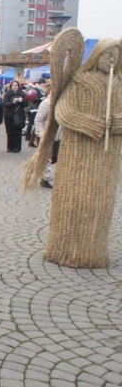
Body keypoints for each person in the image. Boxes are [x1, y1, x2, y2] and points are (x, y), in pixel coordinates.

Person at [43, 39, 122, 268]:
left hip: (106, 159)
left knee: (100, 203)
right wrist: (92, 124)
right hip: (78, 155)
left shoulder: (118, 84)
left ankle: (93, 251)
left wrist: (116, 123)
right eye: (108, 55)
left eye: (116, 56)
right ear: (97, 56)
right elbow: (63, 111)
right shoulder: (80, 81)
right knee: (75, 200)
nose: (112, 60)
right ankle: (64, 249)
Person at [34, 83, 59, 188]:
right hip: (46, 135)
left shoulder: (61, 104)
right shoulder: (46, 103)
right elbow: (38, 120)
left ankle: (43, 174)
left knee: (54, 158)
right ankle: (45, 178)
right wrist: (41, 134)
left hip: (58, 136)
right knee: (47, 158)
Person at [2, 80, 26, 152]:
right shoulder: (7, 94)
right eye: (13, 85)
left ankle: (17, 147)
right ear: (11, 86)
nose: (15, 87)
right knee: (10, 131)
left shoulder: (22, 94)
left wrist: (21, 101)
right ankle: (10, 146)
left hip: (19, 115)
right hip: (9, 115)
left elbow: (25, 104)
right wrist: (12, 102)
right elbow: (4, 104)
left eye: (16, 85)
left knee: (18, 132)